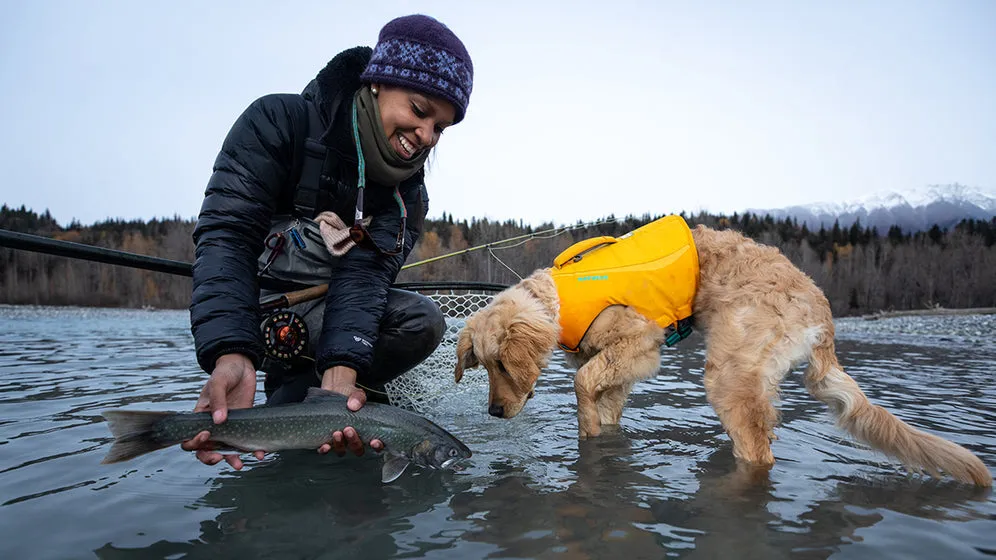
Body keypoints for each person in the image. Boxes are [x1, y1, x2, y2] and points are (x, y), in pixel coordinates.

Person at [182, 14, 473, 469]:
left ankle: (330, 398)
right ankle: (290, 388)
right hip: (257, 313)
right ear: (378, 82)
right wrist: (231, 352)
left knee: (421, 320)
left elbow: (364, 279)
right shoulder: (277, 122)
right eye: (419, 111)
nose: (426, 137)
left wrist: (342, 371)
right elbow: (227, 238)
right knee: (294, 462)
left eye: (441, 127)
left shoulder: (406, 196)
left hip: (329, 318)